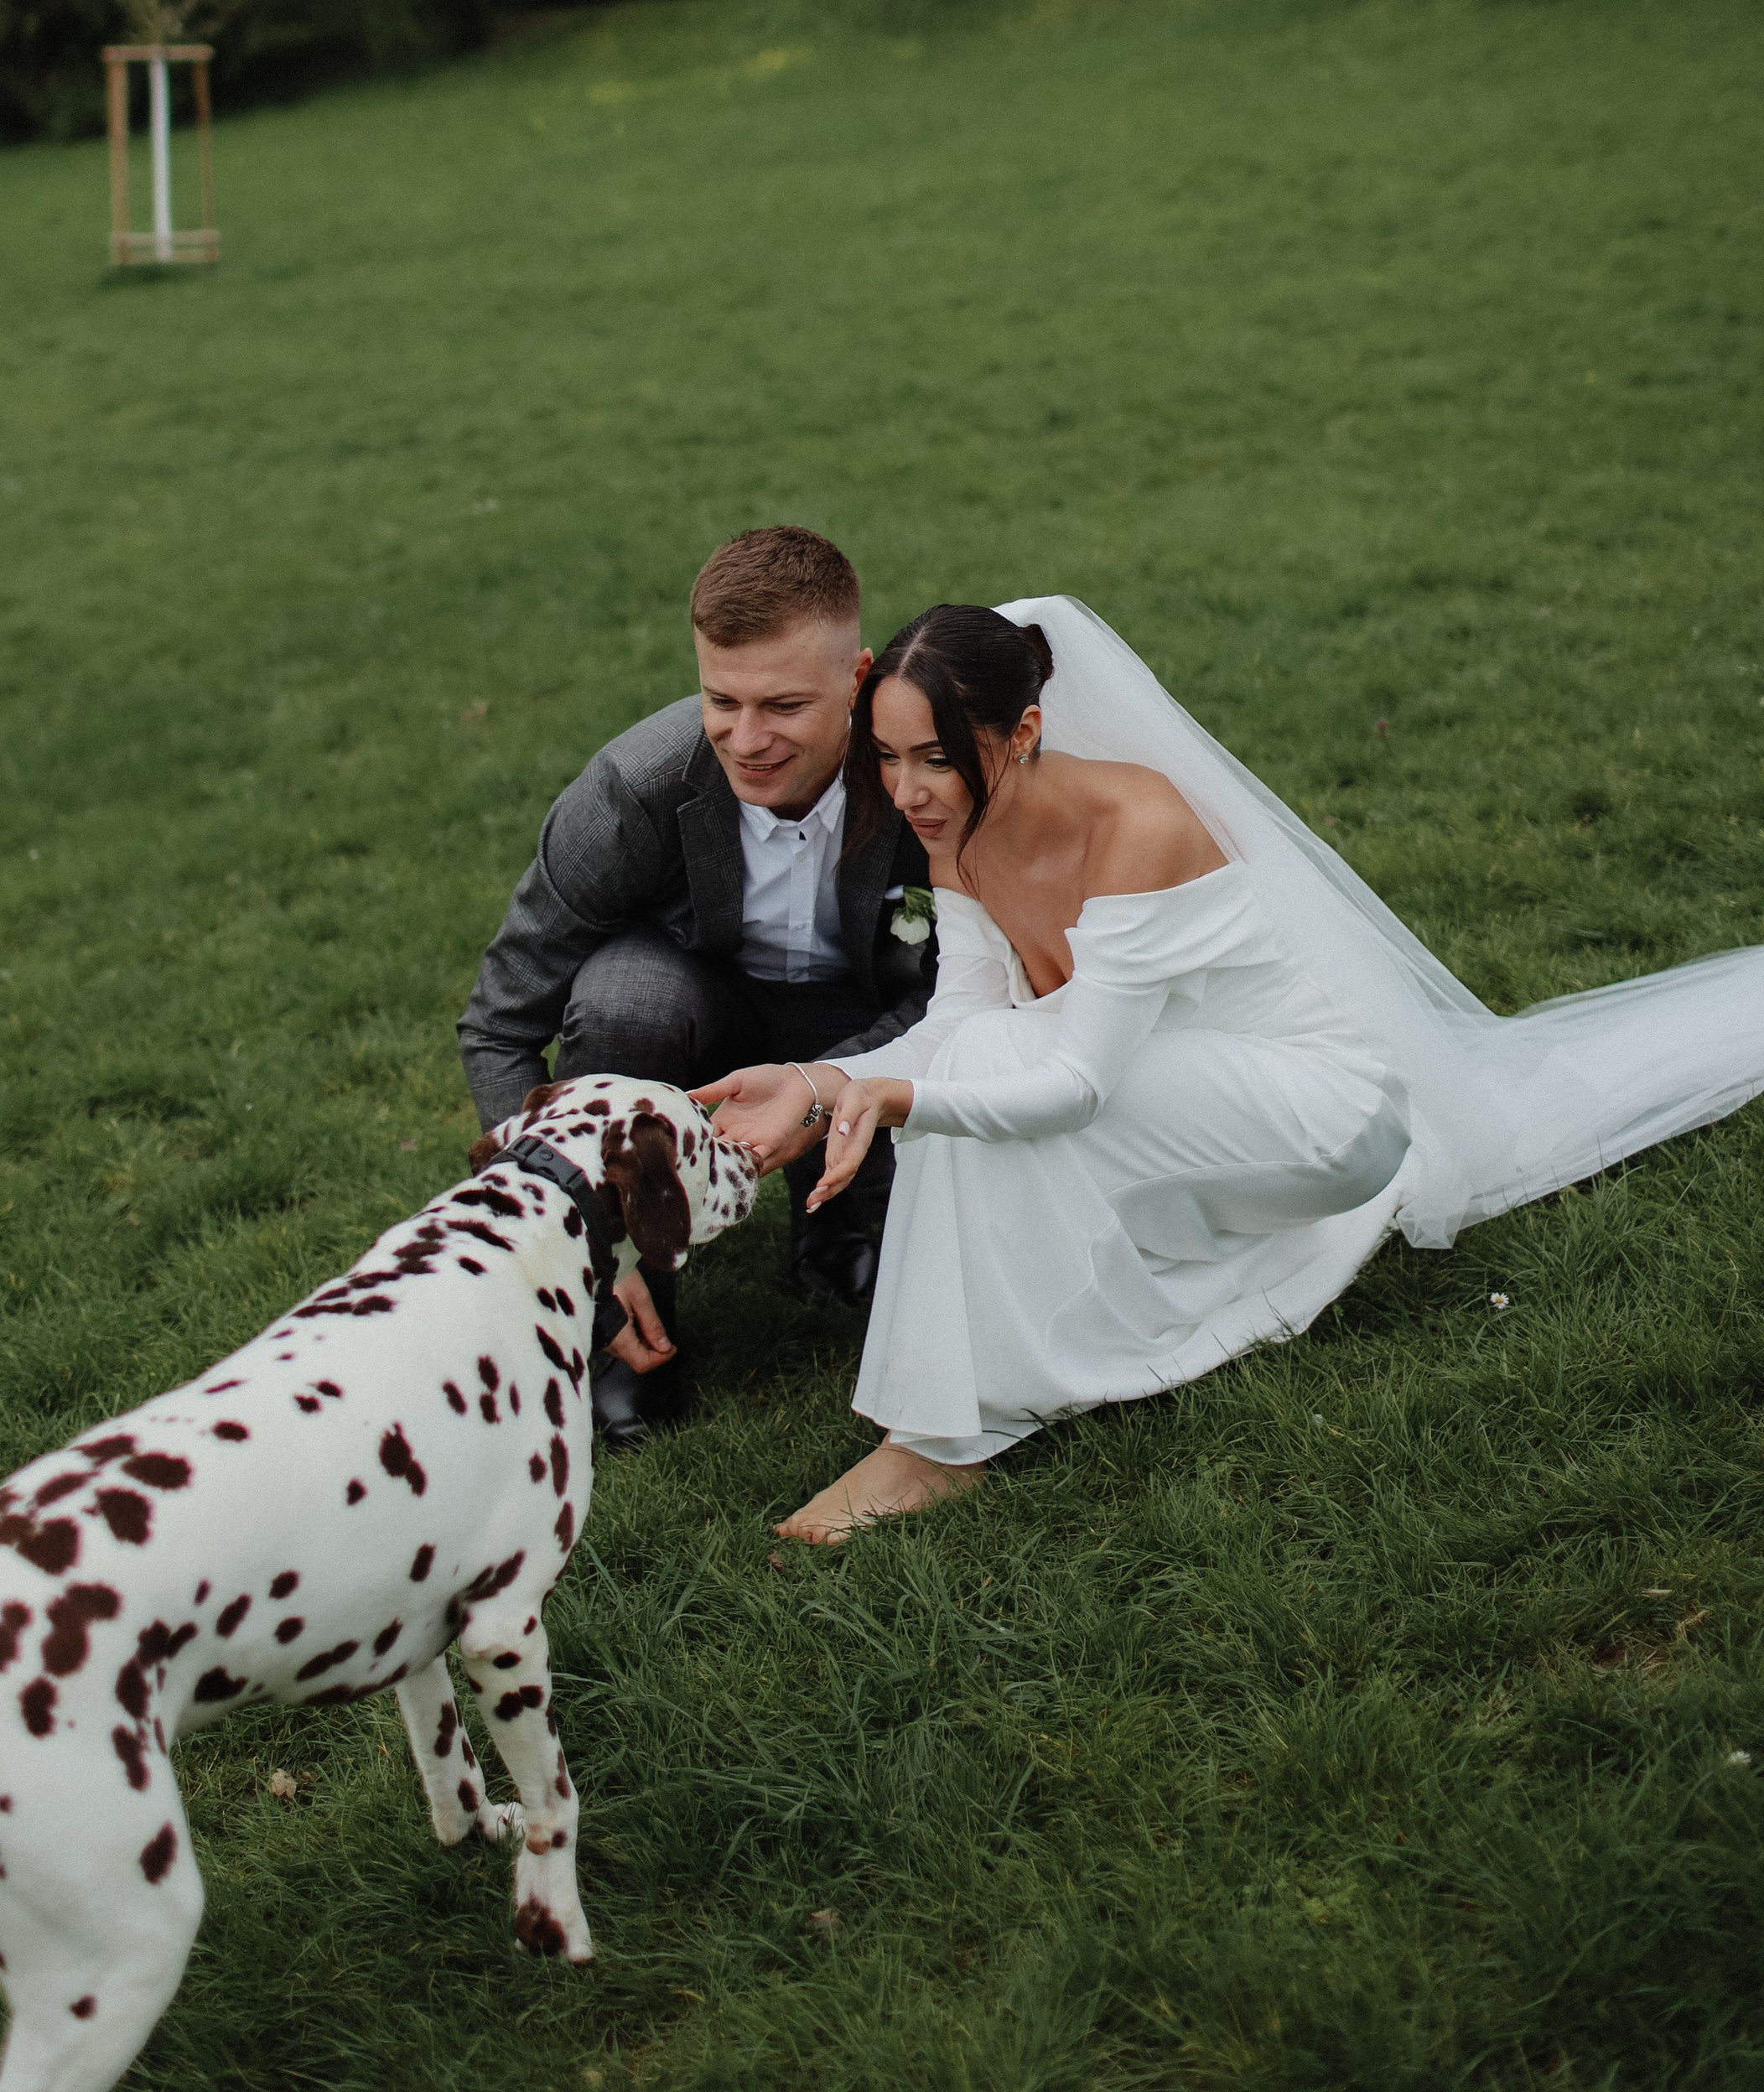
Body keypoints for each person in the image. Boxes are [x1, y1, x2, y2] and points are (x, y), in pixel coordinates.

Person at [697, 597, 1764, 1541]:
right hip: (1185, 1095)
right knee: (977, 1053)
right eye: (886, 758)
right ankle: (965, 1403)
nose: (909, 790)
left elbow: (1078, 1088)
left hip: (1323, 1116)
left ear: (1022, 732)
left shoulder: (1137, 824)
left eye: (936, 756)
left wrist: (897, 1099)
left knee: (982, 1077)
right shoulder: (959, 833)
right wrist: (819, 1079)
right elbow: (957, 1022)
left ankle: (942, 1441)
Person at [457, 526, 937, 1447]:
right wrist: (573, 1236)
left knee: (887, 1260)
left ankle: (838, 1223)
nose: (746, 740)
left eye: (784, 705)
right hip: (702, 1012)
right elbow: (498, 1025)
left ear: (858, 678)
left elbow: (967, 989)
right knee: (621, 1000)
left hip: (868, 1017)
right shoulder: (638, 785)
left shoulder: (920, 770)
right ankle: (632, 1320)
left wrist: (814, 1097)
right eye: (722, 700)